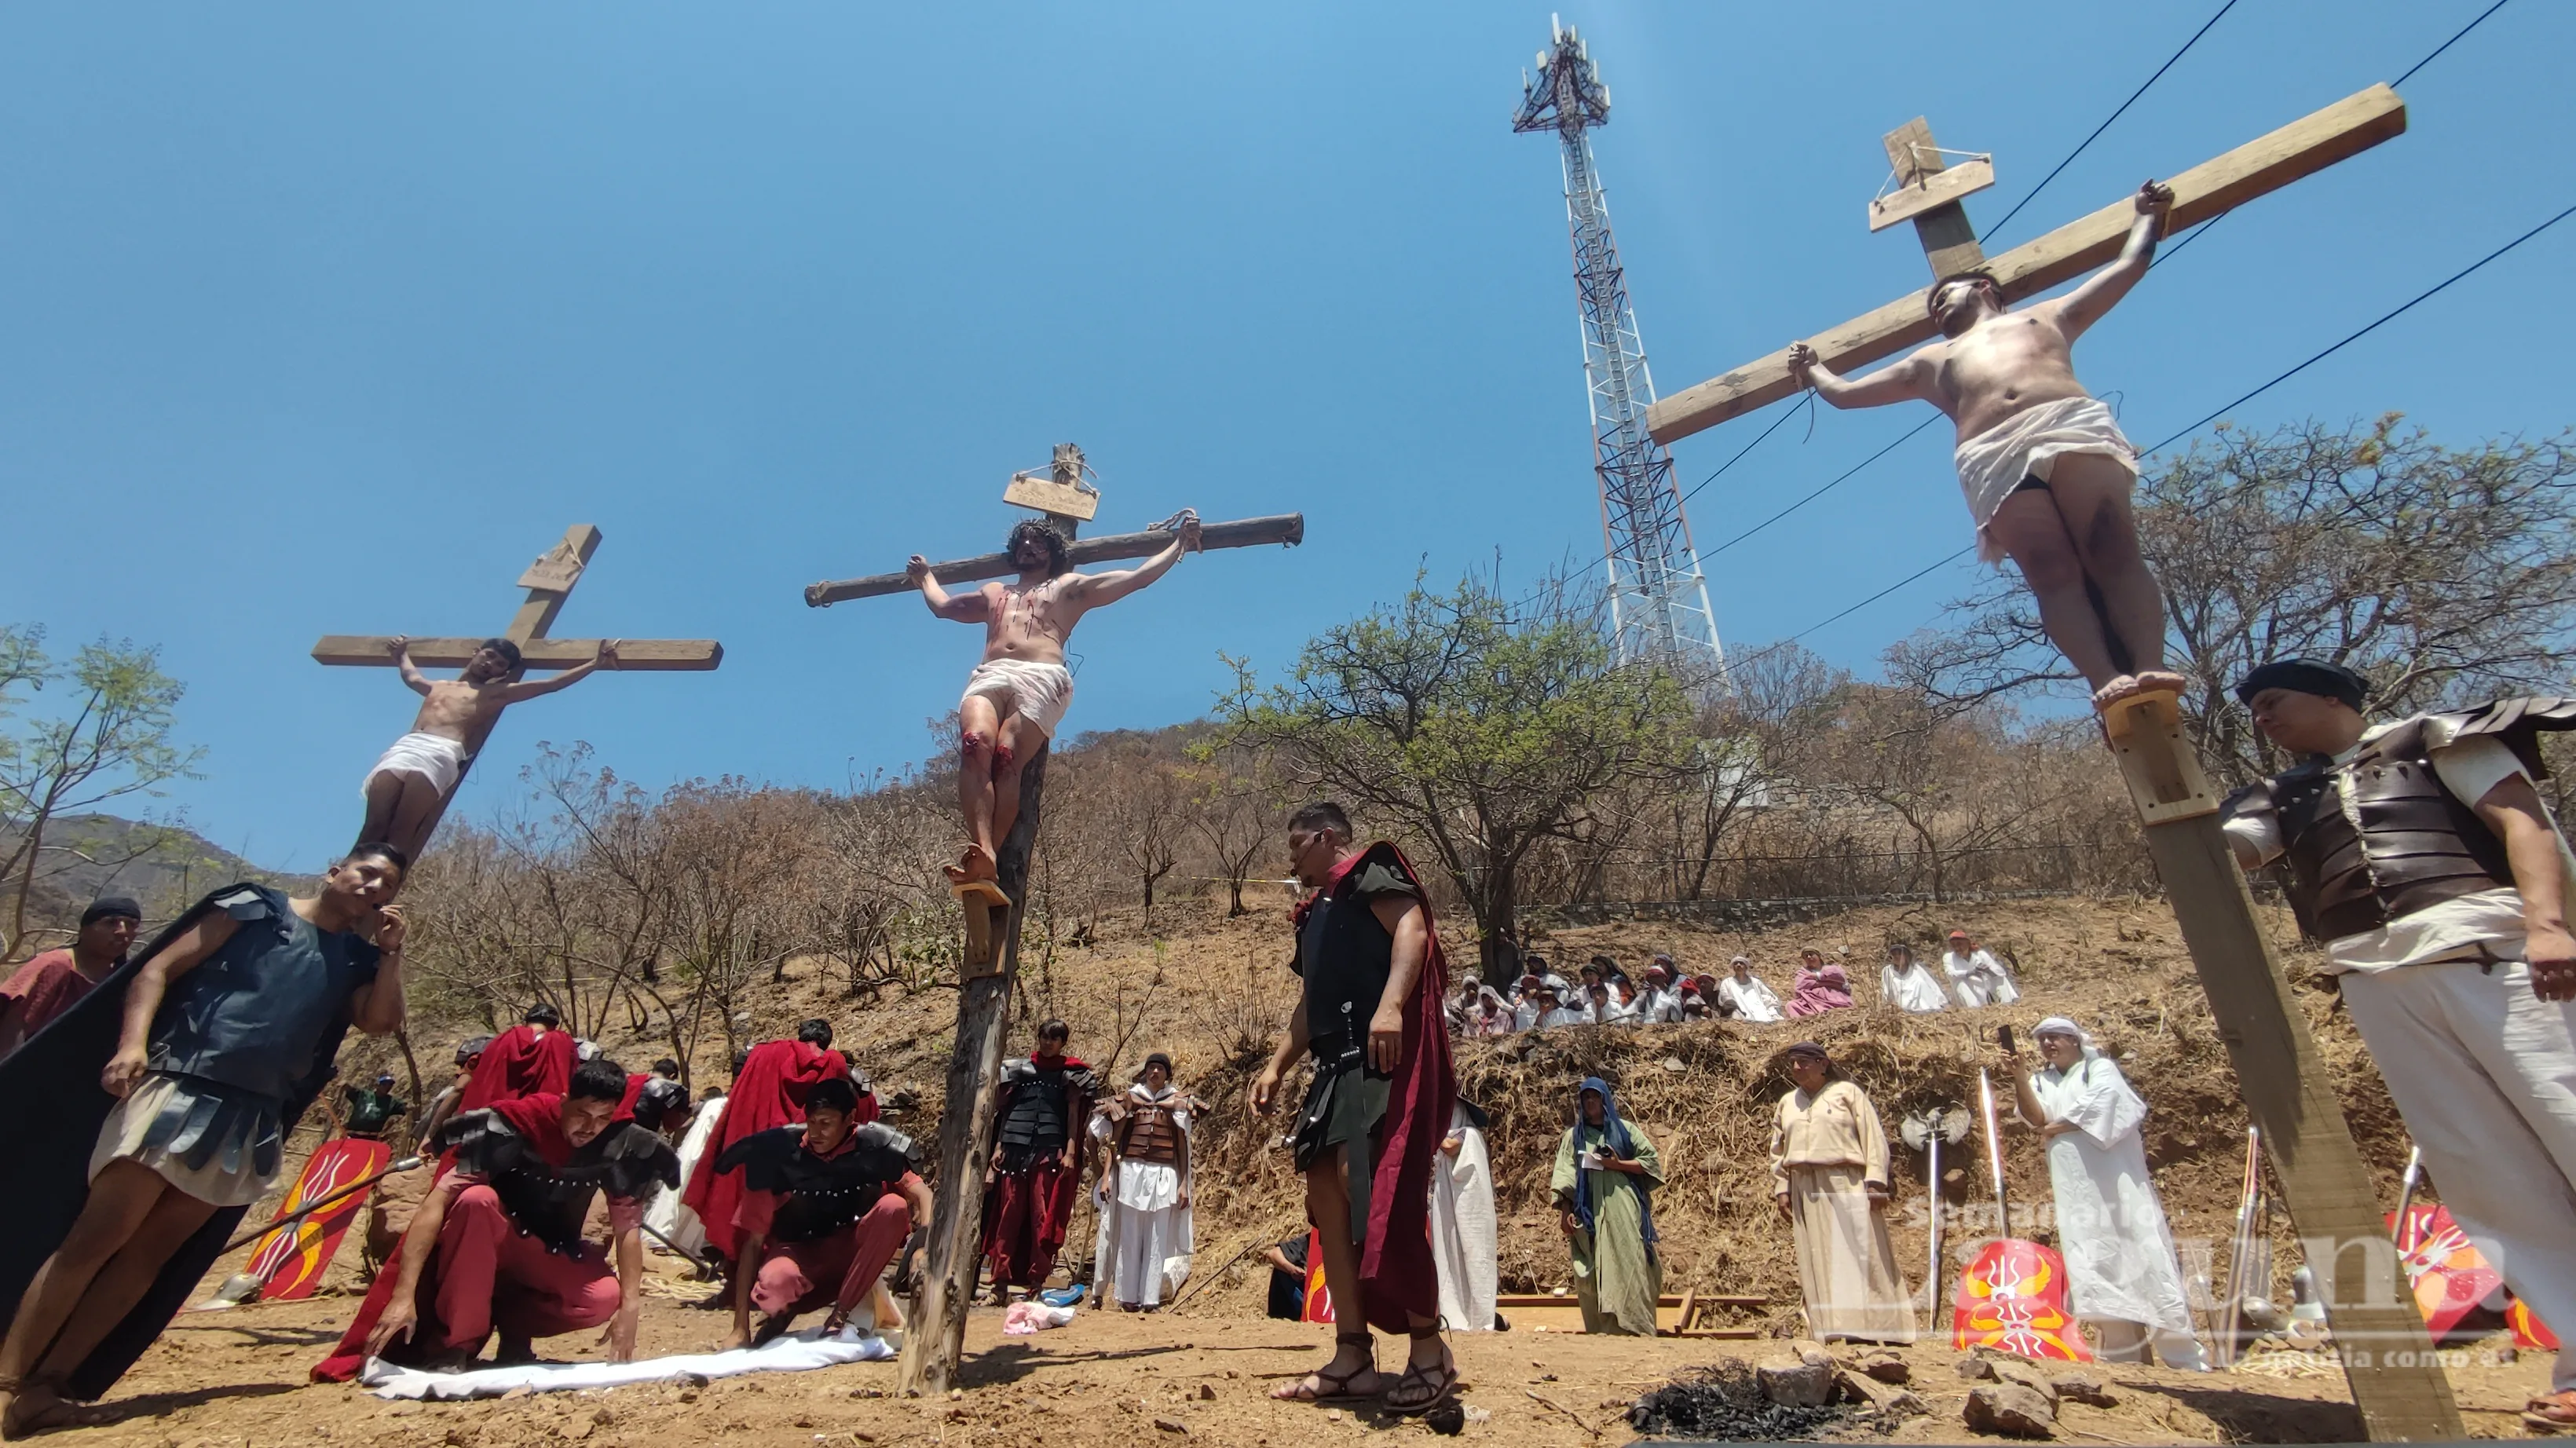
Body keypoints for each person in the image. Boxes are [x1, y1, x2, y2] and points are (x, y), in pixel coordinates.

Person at [2221, 660, 2576, 1428]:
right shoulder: (2282, 796)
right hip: (2378, 980)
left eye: (2272, 701)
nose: (2261, 718)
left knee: (2571, 1123)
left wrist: (2549, 926)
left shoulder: (2439, 737)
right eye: (2251, 710)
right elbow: (2230, 850)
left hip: (2496, 958)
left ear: (2332, 697)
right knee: (2484, 1174)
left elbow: (2522, 821)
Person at [0, 847, 409, 1432]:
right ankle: (7, 1381)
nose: (372, 887)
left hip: (252, 1115)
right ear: (334, 869)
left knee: (147, 1258)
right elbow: (156, 970)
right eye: (366, 872)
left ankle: (50, 1385)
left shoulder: (357, 959)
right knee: (95, 1239)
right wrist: (132, 1045)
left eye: (386, 884)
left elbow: (378, 1021)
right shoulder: (253, 909)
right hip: (180, 1086)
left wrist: (390, 953)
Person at [1788, 181, 2182, 710]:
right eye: (1932, 306)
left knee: (2111, 548)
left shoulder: (2047, 316)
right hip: (1990, 456)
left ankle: (2150, 665)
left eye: (1941, 295)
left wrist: (2146, 216)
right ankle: (2104, 681)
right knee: (2052, 573)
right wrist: (1814, 369)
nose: (1935, 307)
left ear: (1984, 286)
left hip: (2064, 423)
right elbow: (1846, 395)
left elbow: (2127, 268)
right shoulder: (1930, 362)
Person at [1253, 802, 1458, 1413]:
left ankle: (1429, 1353)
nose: (1290, 856)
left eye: (1296, 843)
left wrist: (1391, 1005)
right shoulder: (1313, 914)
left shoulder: (1373, 872)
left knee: (1369, 1188)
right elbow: (1311, 1001)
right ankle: (1352, 1357)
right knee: (1325, 1198)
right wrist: (1276, 1065)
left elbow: (1412, 929)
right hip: (1333, 1067)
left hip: (1379, 1061)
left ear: (1325, 836)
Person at [320, 1057, 678, 1379]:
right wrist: (403, 1294)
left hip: (548, 1249)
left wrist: (630, 1309)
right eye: (583, 1114)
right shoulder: (516, 1124)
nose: (590, 1127)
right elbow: (438, 1200)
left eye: (602, 1119)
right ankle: (456, 1343)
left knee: (601, 1297)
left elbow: (627, 1228)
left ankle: (514, 1328)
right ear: (565, 1099)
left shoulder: (620, 1143)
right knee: (476, 1200)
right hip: (489, 1238)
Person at [907, 514, 1202, 888]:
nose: (1029, 547)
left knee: (1006, 757)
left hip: (1042, 676)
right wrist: (926, 579)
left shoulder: (1069, 588)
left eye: (1039, 542)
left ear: (1053, 551)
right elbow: (944, 607)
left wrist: (1179, 545)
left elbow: (1136, 578)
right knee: (975, 744)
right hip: (992, 672)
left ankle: (991, 856)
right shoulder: (994, 592)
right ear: (1014, 551)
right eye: (1023, 542)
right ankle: (981, 852)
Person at [2001, 1018, 2206, 1370]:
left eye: (2056, 1037)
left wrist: (2055, 1127)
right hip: (2076, 1191)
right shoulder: (2040, 1079)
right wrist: (2019, 1077)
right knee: (2097, 1263)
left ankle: (2185, 1361)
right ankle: (2125, 1360)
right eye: (2042, 1039)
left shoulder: (2099, 1068)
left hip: (2120, 1184)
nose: (2048, 1044)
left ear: (2074, 1040)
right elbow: (2034, 1117)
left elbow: (2104, 1105)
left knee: (2144, 1256)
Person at [360, 636, 619, 860]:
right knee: (374, 825)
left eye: (499, 665)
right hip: (407, 746)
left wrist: (594, 664)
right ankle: (344, 880)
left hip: (440, 752)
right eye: (489, 656)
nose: (490, 664)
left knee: (402, 830)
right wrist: (401, 654)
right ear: (477, 653)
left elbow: (551, 684)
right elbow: (412, 677)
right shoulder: (438, 686)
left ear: (503, 673)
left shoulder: (493, 694)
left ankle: (380, 894)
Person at [714, 1077, 928, 1347]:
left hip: (849, 1256)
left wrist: (925, 1241)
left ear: (850, 1118)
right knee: (776, 1284)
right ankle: (782, 1312)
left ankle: (841, 1315)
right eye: (812, 1122)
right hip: (798, 1254)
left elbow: (922, 1193)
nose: (816, 1133)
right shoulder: (778, 1158)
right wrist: (739, 1328)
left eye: (826, 1124)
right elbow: (753, 1243)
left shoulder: (872, 1149)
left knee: (893, 1207)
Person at [1769, 1042, 1916, 1344]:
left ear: (1822, 1063)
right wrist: (1782, 1186)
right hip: (1805, 1186)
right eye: (1793, 1063)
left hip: (1846, 1179)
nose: (1797, 1068)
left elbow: (1873, 1137)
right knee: (1818, 1255)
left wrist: (1876, 1181)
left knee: (1861, 1251)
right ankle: (1830, 1328)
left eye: (1804, 1062)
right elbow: (1778, 1151)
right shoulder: (1787, 1103)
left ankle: (1880, 1327)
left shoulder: (1848, 1094)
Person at [679, 1020, 851, 1270]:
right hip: (798, 1154)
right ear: (825, 1041)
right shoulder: (833, 1062)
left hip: (757, 1140)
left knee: (742, 1204)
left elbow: (742, 1098)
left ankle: (734, 1271)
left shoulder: (765, 1053)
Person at [980, 1019, 1093, 1304]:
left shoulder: (1071, 1075)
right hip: (1014, 1150)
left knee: (1042, 1218)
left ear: (1062, 1043)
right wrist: (998, 1148)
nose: (1047, 1042)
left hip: (1048, 1151)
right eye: (1044, 1036)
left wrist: (1069, 1152)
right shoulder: (1019, 1071)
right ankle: (999, 1286)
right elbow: (1005, 1114)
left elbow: (1073, 1117)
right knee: (1008, 1217)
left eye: (1054, 1038)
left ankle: (1036, 1283)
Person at [1551, 1078, 1662, 1336]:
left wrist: (1616, 1164)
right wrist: (1566, 1210)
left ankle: (1636, 1326)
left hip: (1624, 1205)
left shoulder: (1626, 1131)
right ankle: (1605, 1329)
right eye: (1586, 1098)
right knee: (1597, 1263)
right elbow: (1566, 1173)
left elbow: (1650, 1163)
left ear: (1605, 1100)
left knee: (1631, 1257)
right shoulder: (1574, 1137)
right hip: (1590, 1210)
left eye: (1595, 1097)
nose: (1591, 1102)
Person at [1092, 1052, 1195, 1312]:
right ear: (1145, 1072)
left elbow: (1182, 1145)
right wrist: (1107, 1178)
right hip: (1131, 1172)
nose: (1155, 1073)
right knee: (1129, 1236)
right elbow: (1114, 1141)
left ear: (1167, 1074)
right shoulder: (1130, 1099)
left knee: (1157, 1238)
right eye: (1151, 1068)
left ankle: (1150, 1299)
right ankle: (1127, 1297)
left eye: (1160, 1068)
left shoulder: (1178, 1102)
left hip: (1164, 1174)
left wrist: (1183, 1184)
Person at [0, 895, 140, 1062]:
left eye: (131, 924)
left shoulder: (124, 978)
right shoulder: (55, 965)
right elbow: (14, 1026)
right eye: (110, 923)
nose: (122, 931)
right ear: (84, 930)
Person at [1430, 1100, 1498, 1333]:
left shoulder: (1468, 1135)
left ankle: (1481, 1318)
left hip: (1471, 1211)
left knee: (1475, 1257)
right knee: (1448, 1255)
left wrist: (1429, 1128)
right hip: (1449, 1203)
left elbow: (1449, 1146)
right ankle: (1454, 1316)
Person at [460, 1004, 576, 1112]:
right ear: (554, 1026)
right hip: (539, 1116)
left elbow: (470, 1076)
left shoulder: (503, 1040)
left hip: (491, 1114)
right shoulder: (562, 1042)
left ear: (526, 1022)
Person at [1943, 931, 2021, 1007]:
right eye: (1954, 945)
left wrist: (1988, 970)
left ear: (1967, 944)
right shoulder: (1949, 957)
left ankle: (2006, 1004)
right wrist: (1970, 972)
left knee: (1999, 978)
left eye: (1959, 944)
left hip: (1984, 985)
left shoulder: (1980, 955)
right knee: (1959, 982)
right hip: (1968, 987)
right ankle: (1974, 1008)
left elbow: (2001, 972)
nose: (1957, 948)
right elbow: (1950, 973)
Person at [335, 1071, 409, 1140]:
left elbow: (406, 1109)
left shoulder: (391, 1102)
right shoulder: (364, 1095)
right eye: (384, 1085)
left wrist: (410, 1108)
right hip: (351, 1136)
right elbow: (350, 1090)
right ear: (377, 1085)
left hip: (370, 1138)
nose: (387, 1087)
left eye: (390, 1085)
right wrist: (345, 1085)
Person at [1879, 944, 1948, 1015]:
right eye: (1894, 954)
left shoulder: (1916, 968)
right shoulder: (1887, 970)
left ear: (1906, 956)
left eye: (1900, 954)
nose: (1897, 957)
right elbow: (1885, 989)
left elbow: (1931, 984)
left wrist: (1941, 1000)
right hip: (1900, 1003)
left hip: (1922, 1004)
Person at [1786, 948, 1852, 1018]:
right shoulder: (1802, 972)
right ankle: (1803, 1022)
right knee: (1791, 1005)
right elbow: (1801, 986)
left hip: (1833, 997)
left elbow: (1840, 979)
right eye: (1806, 956)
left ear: (1819, 956)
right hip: (1812, 1001)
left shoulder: (1833, 969)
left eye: (1811, 954)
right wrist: (1829, 982)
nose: (1809, 957)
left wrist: (1817, 976)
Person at [1716, 956, 1784, 1023]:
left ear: (1746, 967)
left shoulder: (1756, 982)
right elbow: (1724, 997)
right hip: (1739, 1011)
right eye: (1736, 964)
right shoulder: (1727, 982)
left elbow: (1769, 997)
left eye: (1741, 963)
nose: (1738, 965)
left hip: (1760, 1012)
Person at [1263, 1234, 1312, 1321]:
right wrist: (1291, 1269)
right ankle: (1306, 1312)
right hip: (1303, 1300)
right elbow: (1273, 1254)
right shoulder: (1307, 1241)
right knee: (1283, 1265)